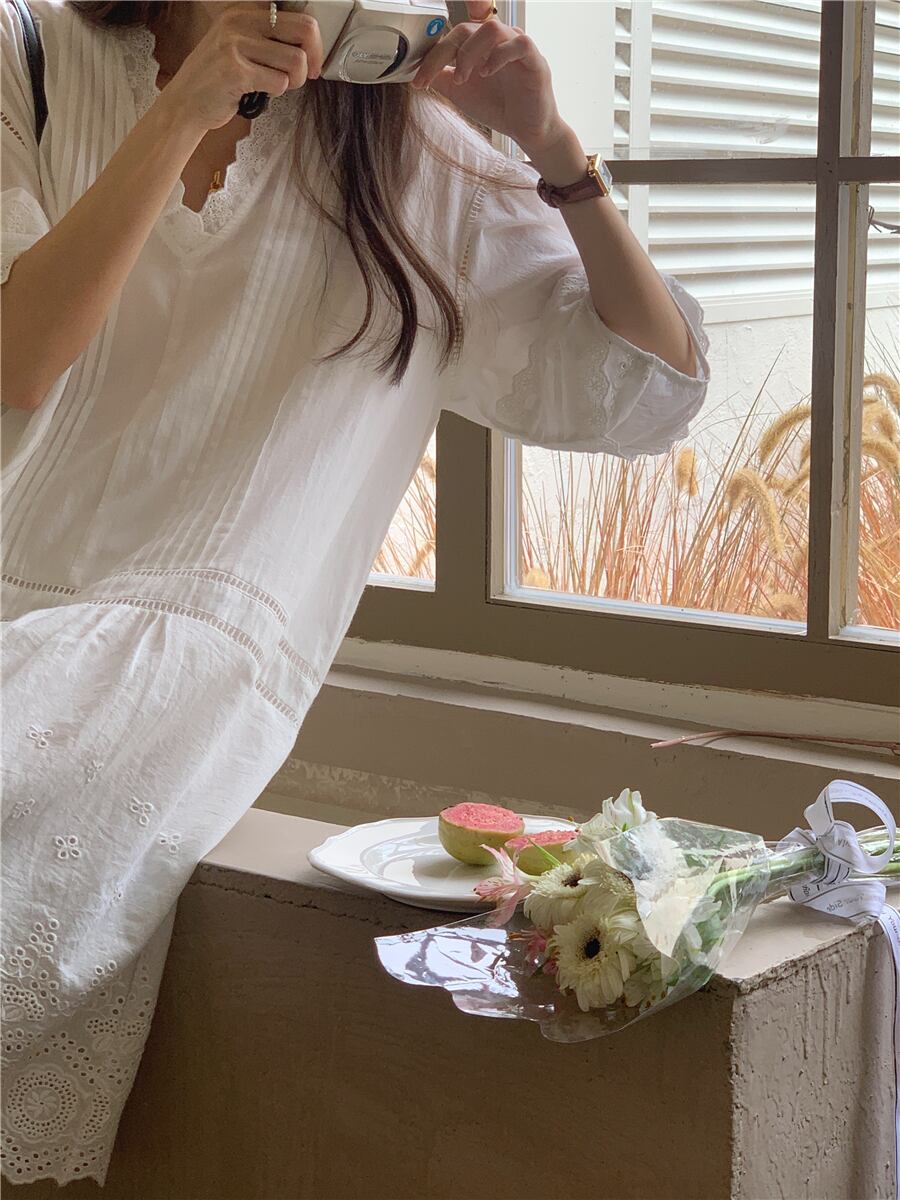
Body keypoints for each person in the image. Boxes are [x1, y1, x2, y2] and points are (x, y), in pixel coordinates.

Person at [0, 0, 710, 1185]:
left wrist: (551, 147)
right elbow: (21, 359)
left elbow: (656, 386)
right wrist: (181, 113)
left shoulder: (418, 154)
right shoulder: (29, 56)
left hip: (197, 649)